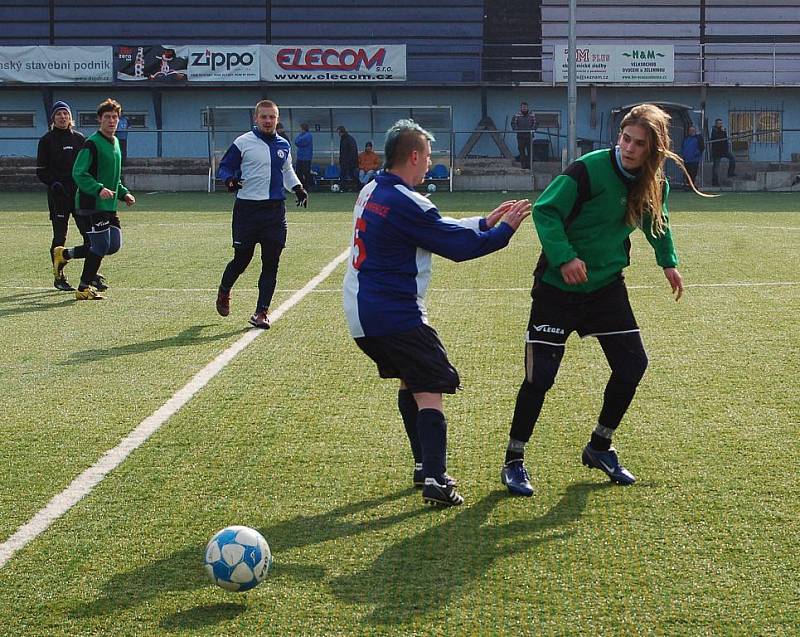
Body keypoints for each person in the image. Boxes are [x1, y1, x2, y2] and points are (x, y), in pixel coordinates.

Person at [500, 103, 711, 497]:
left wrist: (669, 264)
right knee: (539, 377)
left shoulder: (654, 183)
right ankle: (514, 459)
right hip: (557, 289)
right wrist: (564, 258)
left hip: (605, 288)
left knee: (633, 364)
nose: (629, 148)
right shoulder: (589, 168)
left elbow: (656, 223)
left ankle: (599, 446)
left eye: (639, 143)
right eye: (625, 139)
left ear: (653, 150)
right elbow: (546, 211)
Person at [342, 119, 531, 507]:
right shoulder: (408, 201)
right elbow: (458, 247)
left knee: (411, 382)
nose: (430, 163)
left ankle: (422, 465)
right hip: (394, 314)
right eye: (427, 155)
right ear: (413, 156)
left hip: (361, 313)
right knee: (432, 386)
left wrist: (481, 222)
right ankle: (436, 479)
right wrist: (503, 231)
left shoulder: (372, 189)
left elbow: (432, 228)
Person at [215, 99, 309, 329]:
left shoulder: (284, 145)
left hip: (275, 212)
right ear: (256, 119)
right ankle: (224, 290)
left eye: (272, 117)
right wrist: (229, 180)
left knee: (271, 262)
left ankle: (261, 312)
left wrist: (297, 188)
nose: (268, 121)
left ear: (277, 120)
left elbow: (287, 170)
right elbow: (224, 166)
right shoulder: (243, 142)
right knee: (242, 259)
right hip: (247, 211)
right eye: (263, 117)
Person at [54, 98, 135, 301]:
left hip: (109, 204)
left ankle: (64, 255)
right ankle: (83, 287)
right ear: (100, 119)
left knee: (113, 245)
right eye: (107, 117)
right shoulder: (92, 143)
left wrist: (123, 192)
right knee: (99, 246)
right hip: (91, 204)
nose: (111, 121)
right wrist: (98, 189)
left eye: (114, 117)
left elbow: (112, 176)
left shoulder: (115, 143)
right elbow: (79, 173)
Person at [36, 100, 87, 291]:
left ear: (71, 117)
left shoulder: (80, 139)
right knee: (60, 236)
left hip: (79, 195)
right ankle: (59, 276)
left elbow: (87, 166)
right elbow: (40, 171)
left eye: (65, 114)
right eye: (59, 114)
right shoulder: (46, 140)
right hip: (58, 197)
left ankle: (91, 273)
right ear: (53, 118)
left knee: (88, 235)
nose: (62, 117)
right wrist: (53, 183)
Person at [709, 118, 736, 186]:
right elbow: (716, 138)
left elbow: (725, 139)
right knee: (716, 167)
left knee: (732, 158)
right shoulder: (714, 130)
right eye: (719, 123)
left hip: (724, 150)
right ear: (716, 124)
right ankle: (715, 182)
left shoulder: (723, 129)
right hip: (717, 151)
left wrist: (723, 131)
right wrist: (721, 132)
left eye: (721, 123)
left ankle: (730, 173)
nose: (720, 124)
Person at [511, 101, 537, 169]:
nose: (524, 108)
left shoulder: (532, 115)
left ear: (527, 108)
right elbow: (513, 123)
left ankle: (529, 166)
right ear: (521, 108)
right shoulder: (516, 115)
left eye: (525, 107)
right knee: (521, 150)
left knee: (530, 151)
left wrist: (532, 129)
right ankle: (523, 165)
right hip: (520, 136)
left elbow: (536, 123)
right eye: (523, 107)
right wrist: (517, 129)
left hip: (529, 136)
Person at [337, 125, 358, 191]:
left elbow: (352, 151)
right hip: (345, 161)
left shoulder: (348, 139)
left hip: (348, 162)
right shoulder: (346, 139)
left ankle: (359, 186)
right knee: (346, 175)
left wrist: (348, 160)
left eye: (338, 132)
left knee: (349, 175)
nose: (338, 134)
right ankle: (344, 187)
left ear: (341, 132)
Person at [294, 122, 314, 191]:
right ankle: (301, 185)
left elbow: (300, 142)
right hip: (300, 157)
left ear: (303, 129)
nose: (299, 130)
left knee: (306, 172)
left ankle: (307, 186)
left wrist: (299, 139)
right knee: (298, 172)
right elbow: (296, 141)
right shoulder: (301, 135)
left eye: (300, 128)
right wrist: (299, 139)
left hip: (306, 158)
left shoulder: (308, 135)